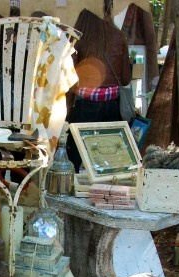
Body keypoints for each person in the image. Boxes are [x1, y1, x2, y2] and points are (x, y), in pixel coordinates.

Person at [66, 7, 132, 171]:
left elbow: (70, 80)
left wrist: (68, 109)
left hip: (85, 106)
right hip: (113, 105)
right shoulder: (118, 37)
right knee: (108, 156)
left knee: (77, 155)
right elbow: (125, 79)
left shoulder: (79, 38)